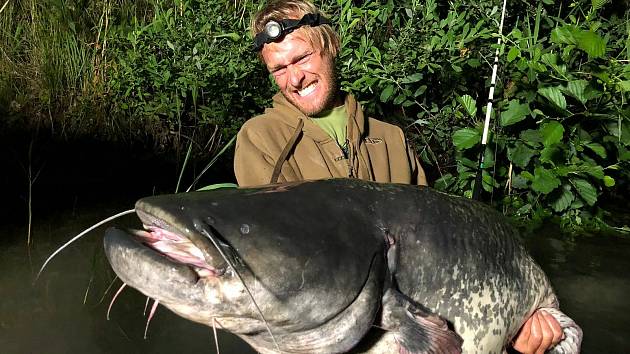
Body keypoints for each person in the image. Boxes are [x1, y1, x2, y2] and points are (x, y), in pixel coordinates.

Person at [234, 1, 563, 352]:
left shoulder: (390, 137)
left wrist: (514, 325)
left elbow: (436, 249)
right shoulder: (260, 138)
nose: (294, 79)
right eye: (278, 69)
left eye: (301, 59)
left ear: (330, 46)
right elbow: (275, 265)